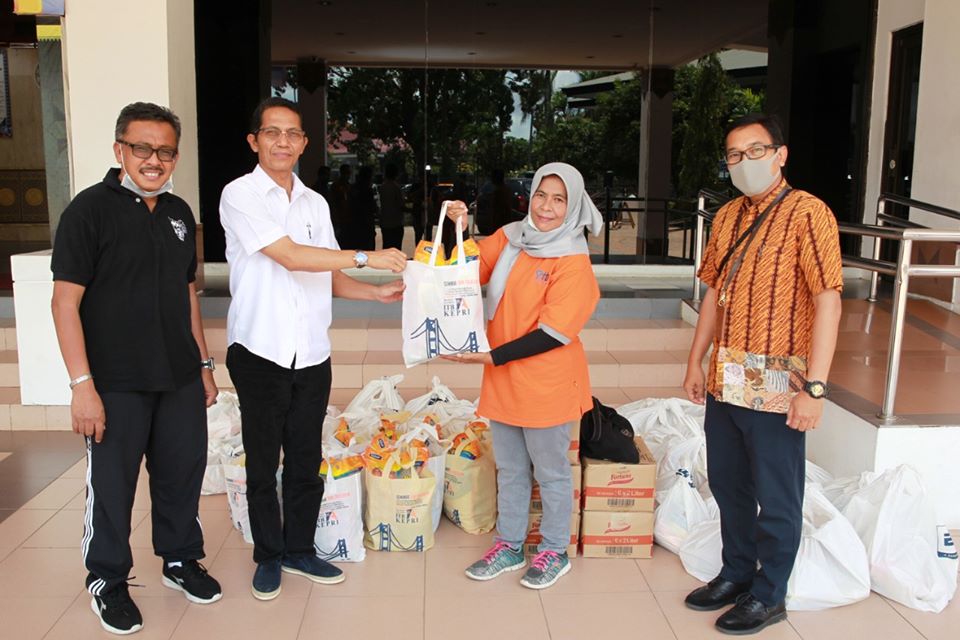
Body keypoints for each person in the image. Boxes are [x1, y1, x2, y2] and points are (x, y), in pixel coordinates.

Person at [218, 97, 407, 601]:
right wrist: (368, 256)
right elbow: (290, 256)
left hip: (311, 353)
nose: (283, 142)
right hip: (259, 350)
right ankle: (268, 555)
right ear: (254, 141)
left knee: (306, 457)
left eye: (292, 134)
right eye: (272, 132)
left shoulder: (315, 204)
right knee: (263, 462)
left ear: (303, 143)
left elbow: (328, 274)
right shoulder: (240, 195)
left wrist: (375, 293)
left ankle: (300, 550)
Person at [51, 102, 222, 635]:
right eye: (142, 148)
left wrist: (203, 365)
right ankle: (107, 580)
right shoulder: (88, 211)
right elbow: (64, 303)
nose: (154, 160)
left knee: (181, 474)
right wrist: (82, 387)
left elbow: (186, 294)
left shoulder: (178, 213)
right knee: (113, 486)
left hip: (178, 377)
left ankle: (179, 559)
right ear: (119, 149)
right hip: (115, 382)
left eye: (165, 151)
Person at [682, 113, 842, 635]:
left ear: (780, 154)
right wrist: (695, 360)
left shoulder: (809, 213)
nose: (744, 162)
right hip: (727, 375)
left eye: (755, 150)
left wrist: (815, 389)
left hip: (780, 381)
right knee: (729, 484)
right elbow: (713, 293)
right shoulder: (727, 215)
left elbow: (828, 301)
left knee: (776, 495)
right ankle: (736, 573)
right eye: (734, 155)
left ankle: (770, 594)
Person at [444, 162, 602, 590]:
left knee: (551, 472)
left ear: (573, 206)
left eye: (559, 199)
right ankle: (509, 545)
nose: (546, 207)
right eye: (540, 195)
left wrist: (489, 356)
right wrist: (457, 229)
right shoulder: (511, 237)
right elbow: (464, 271)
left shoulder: (573, 261)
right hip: (504, 377)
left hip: (547, 381)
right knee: (511, 469)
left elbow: (553, 333)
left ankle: (554, 551)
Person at [347, 165, 378, 251]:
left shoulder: (353, 188)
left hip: (354, 223)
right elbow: (371, 207)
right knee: (368, 250)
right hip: (366, 224)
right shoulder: (367, 190)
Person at [378, 163, 405, 250]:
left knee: (386, 246)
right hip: (396, 222)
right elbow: (401, 205)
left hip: (385, 222)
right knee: (396, 247)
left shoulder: (382, 187)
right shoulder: (396, 187)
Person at [329, 163, 352, 246]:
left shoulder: (349, 186)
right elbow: (333, 203)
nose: (348, 175)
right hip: (338, 219)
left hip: (348, 219)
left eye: (349, 173)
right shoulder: (335, 186)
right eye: (346, 173)